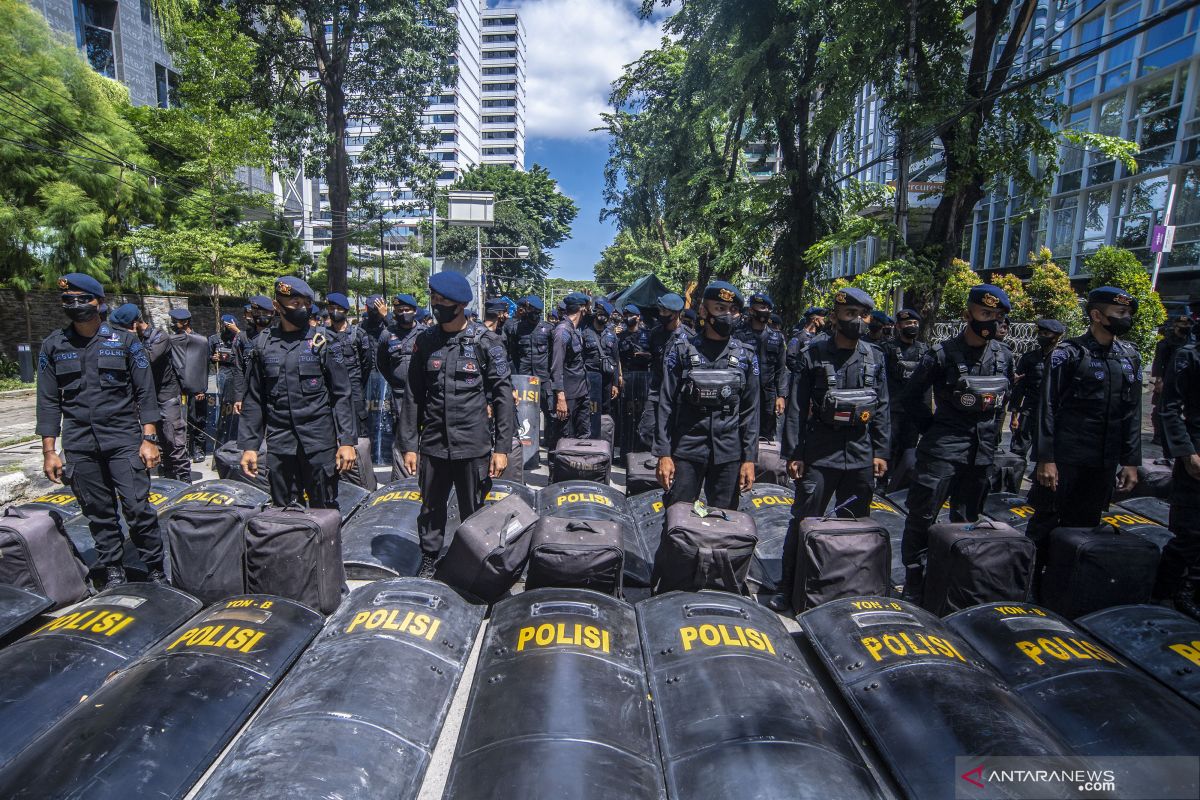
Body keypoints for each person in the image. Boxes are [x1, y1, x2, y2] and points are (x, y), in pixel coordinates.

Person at [36, 274, 164, 588]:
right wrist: (50, 451)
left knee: (137, 508)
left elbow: (145, 392)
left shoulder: (124, 341)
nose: (76, 305)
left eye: (83, 299)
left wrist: (149, 437)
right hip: (80, 443)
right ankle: (114, 572)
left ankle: (156, 570)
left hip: (123, 439)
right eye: (69, 300)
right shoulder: (53, 345)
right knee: (99, 512)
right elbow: (48, 401)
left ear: (99, 302)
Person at [897, 285, 1015, 603]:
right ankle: (915, 578)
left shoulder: (1003, 356)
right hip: (942, 451)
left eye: (997, 316)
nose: (991, 321)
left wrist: (992, 439)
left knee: (967, 520)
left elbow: (1003, 402)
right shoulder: (941, 354)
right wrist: (933, 429)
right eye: (985, 314)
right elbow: (910, 397)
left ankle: (956, 577)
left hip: (982, 452)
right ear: (968, 315)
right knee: (922, 516)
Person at [773, 287, 890, 611]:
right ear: (836, 315)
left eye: (863, 315)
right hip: (820, 454)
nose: (858, 321)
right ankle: (788, 587)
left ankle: (847, 588)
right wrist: (794, 454)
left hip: (860, 454)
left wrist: (881, 451)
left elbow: (882, 408)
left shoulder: (875, 356)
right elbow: (796, 407)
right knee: (804, 522)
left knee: (854, 526)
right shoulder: (813, 354)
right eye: (850, 314)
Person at [398, 271, 515, 577]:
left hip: (472, 443)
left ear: (460, 304)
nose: (436, 305)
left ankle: (475, 566)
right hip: (434, 443)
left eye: (443, 300)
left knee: (473, 512)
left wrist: (502, 448)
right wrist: (409, 445)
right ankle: (429, 561)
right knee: (430, 510)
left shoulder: (486, 343)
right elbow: (413, 395)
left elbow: (503, 397)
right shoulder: (425, 341)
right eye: (434, 299)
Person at [1025, 287, 1142, 579]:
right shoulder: (1070, 353)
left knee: (1085, 528)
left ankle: (1065, 584)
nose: (1126, 319)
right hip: (1065, 458)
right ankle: (1028, 583)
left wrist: (1130, 460)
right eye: (1120, 313)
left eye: (1128, 313)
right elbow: (1047, 406)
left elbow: (1132, 412)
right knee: (1045, 522)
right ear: (1096, 315)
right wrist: (1045, 458)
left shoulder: (1129, 356)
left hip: (1102, 460)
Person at [238, 277, 358, 508]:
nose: (301, 308)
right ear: (277, 306)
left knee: (323, 507)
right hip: (280, 443)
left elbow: (341, 394)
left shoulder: (322, 341)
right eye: (294, 303)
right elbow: (254, 398)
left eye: (305, 303)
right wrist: (250, 446)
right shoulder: (263, 344)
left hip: (318, 442)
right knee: (284, 510)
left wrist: (346, 441)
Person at [654, 281, 759, 512]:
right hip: (686, 450)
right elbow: (665, 405)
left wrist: (749, 458)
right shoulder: (682, 351)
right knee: (677, 519)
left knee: (724, 522)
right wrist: (664, 453)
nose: (727, 315)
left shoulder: (745, 356)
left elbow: (750, 412)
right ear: (703, 311)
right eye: (720, 308)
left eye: (733, 310)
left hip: (728, 454)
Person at [111, 304, 190, 482]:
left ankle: (184, 482)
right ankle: (168, 479)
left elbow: (144, 361)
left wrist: (131, 340)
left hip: (166, 396)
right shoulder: (130, 339)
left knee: (174, 442)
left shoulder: (159, 337)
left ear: (135, 323)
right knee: (158, 442)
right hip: (147, 398)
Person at [1157, 330, 1200, 618]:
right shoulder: (1189, 355)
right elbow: (1169, 409)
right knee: (1191, 532)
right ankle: (1163, 594)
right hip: (1195, 453)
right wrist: (1187, 453)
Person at [881, 309, 930, 491]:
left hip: (913, 412)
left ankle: (900, 485)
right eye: (908, 324)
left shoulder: (924, 350)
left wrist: (925, 413)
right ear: (898, 326)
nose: (912, 327)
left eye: (915, 324)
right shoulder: (888, 349)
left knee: (909, 450)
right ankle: (883, 484)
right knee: (889, 448)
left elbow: (927, 386)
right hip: (892, 409)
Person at [377, 293, 423, 479]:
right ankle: (402, 475)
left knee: (424, 430)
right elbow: (381, 363)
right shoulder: (388, 334)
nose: (403, 313)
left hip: (422, 392)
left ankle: (423, 471)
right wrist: (395, 380)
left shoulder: (425, 333)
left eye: (407, 310)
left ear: (415, 311)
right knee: (401, 433)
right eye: (399, 310)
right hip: (399, 393)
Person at [1007, 319, 1065, 458]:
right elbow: (1019, 388)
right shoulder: (1030, 358)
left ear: (1057, 337)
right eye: (1040, 333)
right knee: (1018, 451)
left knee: (1049, 455)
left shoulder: (1064, 359)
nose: (1041, 337)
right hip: (1030, 411)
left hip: (1053, 414)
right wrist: (1014, 415)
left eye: (1046, 333)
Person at [734, 293, 787, 442]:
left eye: (768, 308)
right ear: (751, 310)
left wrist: (781, 396)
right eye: (762, 307)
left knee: (765, 436)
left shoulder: (777, 337)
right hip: (743, 393)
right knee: (741, 432)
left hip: (767, 395)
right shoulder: (738, 335)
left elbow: (781, 369)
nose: (765, 311)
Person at [639, 294, 688, 447]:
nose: (660, 315)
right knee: (646, 430)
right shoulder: (655, 333)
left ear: (675, 313)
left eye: (664, 312)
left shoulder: (689, 337)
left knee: (676, 432)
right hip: (657, 390)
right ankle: (656, 457)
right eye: (660, 311)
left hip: (678, 393)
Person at [325, 292, 373, 439]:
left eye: (338, 308)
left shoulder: (358, 334)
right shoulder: (322, 335)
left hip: (354, 389)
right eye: (331, 308)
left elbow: (367, 363)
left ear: (346, 311)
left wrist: (357, 381)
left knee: (359, 432)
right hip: (330, 389)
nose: (334, 311)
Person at [549, 291, 592, 443]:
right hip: (567, 395)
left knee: (583, 435)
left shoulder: (575, 329)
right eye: (586, 307)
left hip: (581, 391)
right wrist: (560, 396)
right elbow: (556, 366)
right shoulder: (562, 331)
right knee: (562, 437)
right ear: (581, 308)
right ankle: (557, 466)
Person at [167, 308, 208, 462]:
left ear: (185, 322)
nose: (172, 324)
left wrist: (201, 388)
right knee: (179, 421)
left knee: (197, 419)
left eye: (175, 321)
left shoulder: (200, 340)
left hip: (196, 387)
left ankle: (198, 449)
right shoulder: (173, 339)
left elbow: (203, 365)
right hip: (178, 386)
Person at [1151, 312, 1194, 445]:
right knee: (1161, 409)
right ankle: (1158, 435)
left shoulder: (1191, 343)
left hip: (1187, 381)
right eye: (1183, 324)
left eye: (1188, 324)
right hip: (1167, 380)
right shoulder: (1165, 342)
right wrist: (1159, 380)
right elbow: (1159, 362)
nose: (1185, 326)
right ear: (1175, 326)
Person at [581, 298, 619, 436]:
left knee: (605, 409)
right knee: (591, 408)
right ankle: (590, 436)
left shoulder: (611, 335)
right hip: (590, 376)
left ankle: (603, 439)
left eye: (605, 315)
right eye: (600, 313)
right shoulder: (585, 333)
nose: (602, 317)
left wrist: (615, 383)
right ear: (596, 314)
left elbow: (615, 359)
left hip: (607, 378)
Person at [618, 304, 652, 455]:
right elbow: (617, 358)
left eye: (629, 315)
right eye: (624, 315)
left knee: (641, 414)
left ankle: (640, 450)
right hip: (627, 376)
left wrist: (645, 355)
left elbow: (655, 356)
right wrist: (619, 376)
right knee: (626, 415)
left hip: (643, 376)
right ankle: (626, 452)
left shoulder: (648, 335)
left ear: (638, 317)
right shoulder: (620, 335)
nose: (627, 318)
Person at [233, 295, 274, 415]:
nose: (261, 315)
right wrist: (238, 397)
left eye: (265, 312)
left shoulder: (278, 336)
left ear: (272, 313)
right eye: (257, 312)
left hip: (273, 393)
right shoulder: (243, 337)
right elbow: (239, 368)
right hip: (249, 393)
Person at [209, 314, 241, 446]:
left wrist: (237, 332)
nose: (227, 328)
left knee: (236, 413)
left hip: (237, 376)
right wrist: (214, 358)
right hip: (222, 375)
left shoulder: (240, 337)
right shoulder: (215, 339)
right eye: (225, 325)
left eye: (230, 325)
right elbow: (208, 357)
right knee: (222, 411)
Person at [787, 307, 827, 373]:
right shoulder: (799, 336)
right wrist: (801, 373)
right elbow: (790, 358)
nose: (824, 323)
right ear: (815, 320)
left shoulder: (820, 337)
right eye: (822, 320)